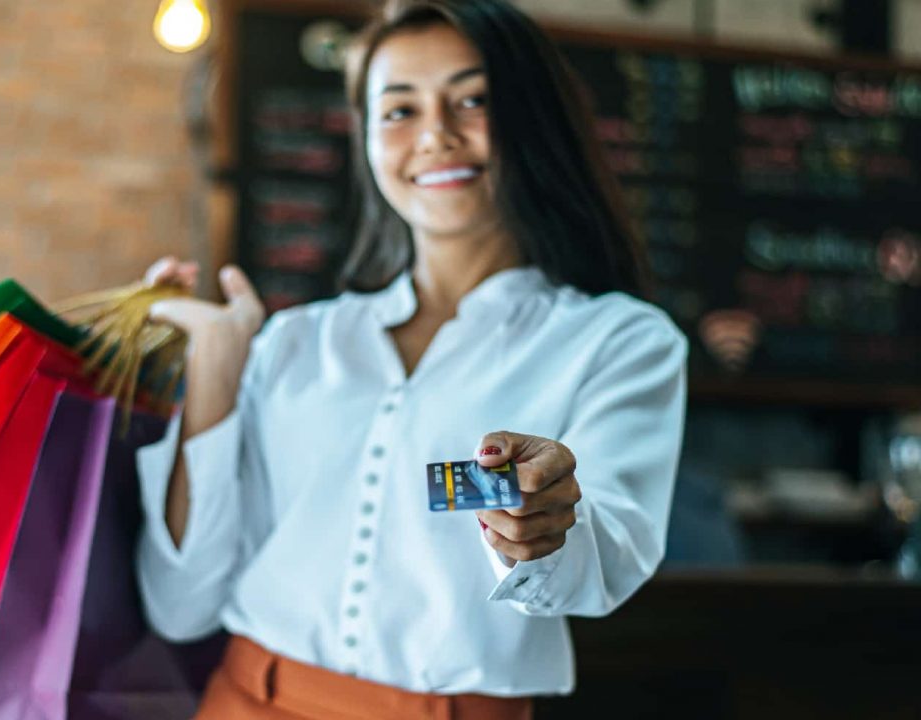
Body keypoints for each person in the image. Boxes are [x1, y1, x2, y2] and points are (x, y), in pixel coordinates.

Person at [135, 0, 687, 717]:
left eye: (474, 99)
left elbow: (605, 554)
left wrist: (546, 522)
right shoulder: (296, 342)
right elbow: (181, 607)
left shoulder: (619, 341)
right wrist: (213, 372)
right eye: (398, 110)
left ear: (534, 119)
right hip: (244, 699)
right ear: (365, 138)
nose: (436, 134)